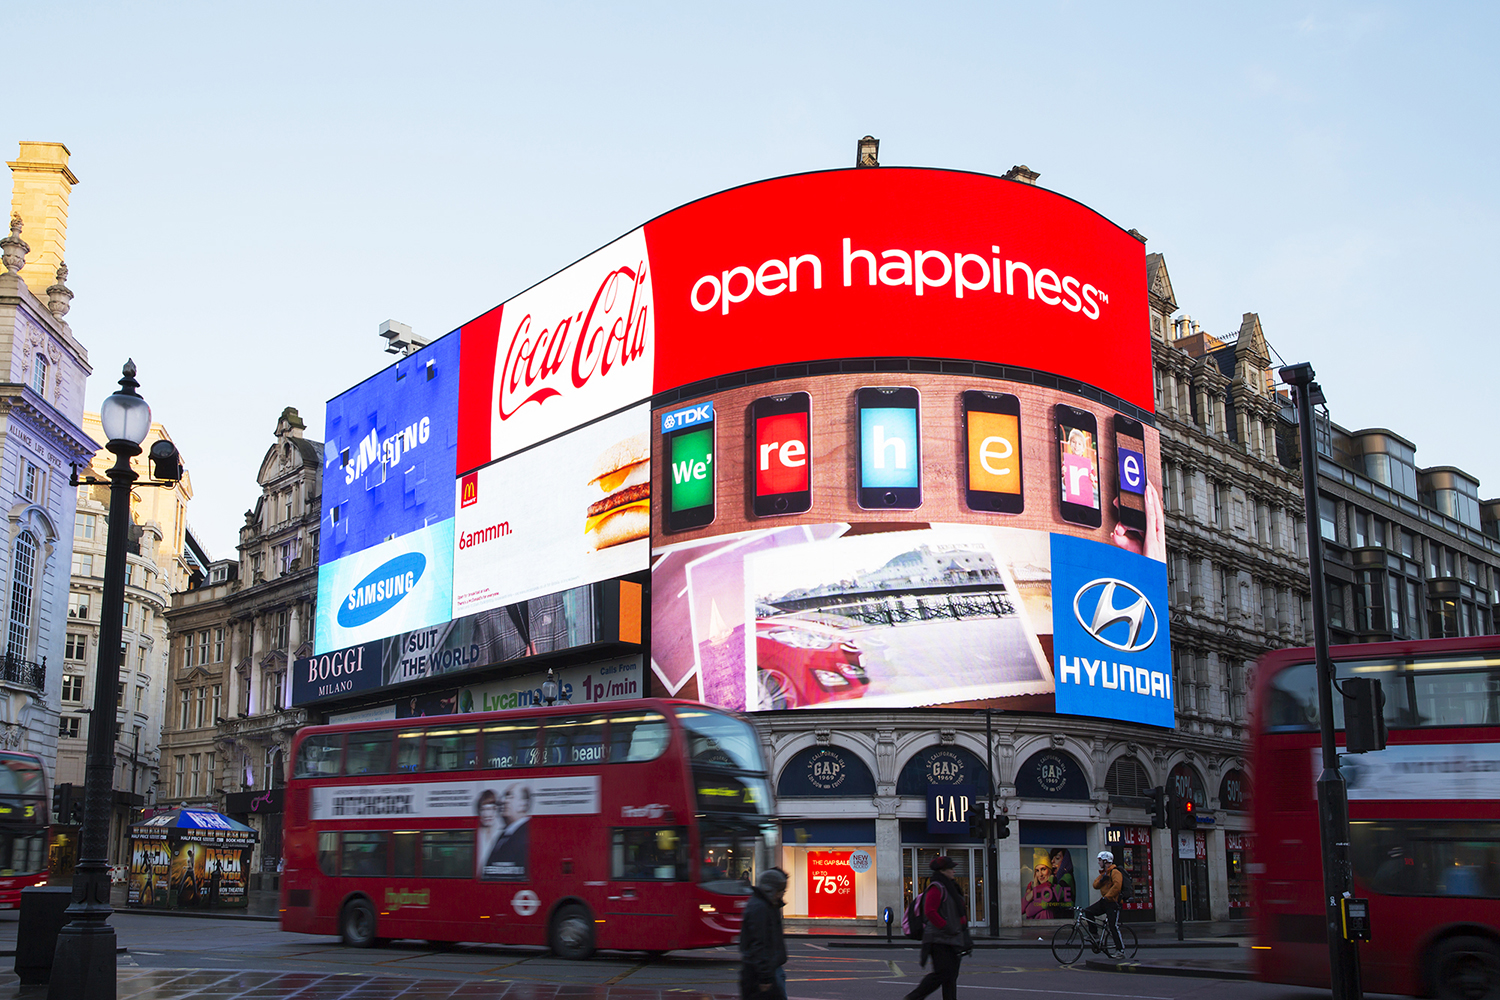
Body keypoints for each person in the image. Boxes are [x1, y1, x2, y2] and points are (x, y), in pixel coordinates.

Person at [905, 855, 971, 1000]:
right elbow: (930, 911)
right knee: (942, 974)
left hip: (952, 938)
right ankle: (913, 997)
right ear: (942, 870)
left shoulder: (951, 887)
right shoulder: (937, 887)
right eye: (951, 868)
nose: (954, 871)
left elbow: (957, 912)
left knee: (950, 976)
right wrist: (946, 927)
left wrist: (963, 930)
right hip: (938, 939)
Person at [739, 868, 788, 1000]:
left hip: (767, 970)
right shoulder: (761, 908)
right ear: (771, 890)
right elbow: (759, 944)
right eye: (780, 891)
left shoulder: (767, 905)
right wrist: (765, 978)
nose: (781, 895)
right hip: (761, 973)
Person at [482, 783, 531, 879]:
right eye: (504, 796)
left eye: (510, 796)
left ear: (523, 804)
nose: (503, 801)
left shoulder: (526, 834)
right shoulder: (504, 835)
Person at [1084, 851, 1124, 954]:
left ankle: (1120, 950)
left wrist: (1107, 896)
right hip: (1105, 901)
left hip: (1113, 902)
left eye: (1100, 860)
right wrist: (1102, 880)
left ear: (1106, 861)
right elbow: (1095, 885)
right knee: (1088, 911)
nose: (1098, 863)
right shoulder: (1104, 873)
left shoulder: (1115, 872)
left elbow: (1117, 886)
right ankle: (1094, 934)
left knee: (1113, 926)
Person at [474, 789, 501, 878]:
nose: (487, 814)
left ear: (496, 810)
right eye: (483, 809)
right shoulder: (478, 834)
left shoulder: (503, 833)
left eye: (490, 809)